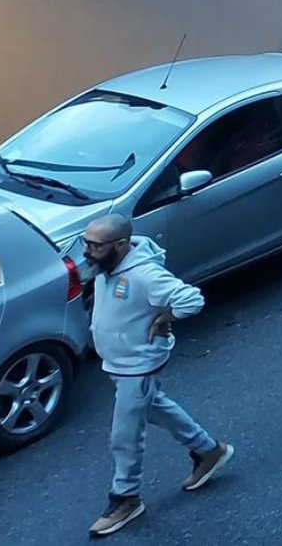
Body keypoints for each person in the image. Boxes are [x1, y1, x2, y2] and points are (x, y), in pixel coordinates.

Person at [82, 214, 234, 537]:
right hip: (120, 363)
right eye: (86, 242)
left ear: (121, 245)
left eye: (95, 245)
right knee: (155, 407)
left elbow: (191, 299)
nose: (87, 251)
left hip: (138, 366)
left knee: (124, 436)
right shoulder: (107, 265)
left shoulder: (145, 275)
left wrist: (167, 315)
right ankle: (209, 451)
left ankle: (125, 497)